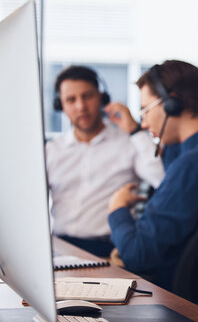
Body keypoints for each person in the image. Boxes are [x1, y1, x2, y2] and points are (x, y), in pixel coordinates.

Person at [107, 60, 198, 290]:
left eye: (146, 110)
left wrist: (117, 208)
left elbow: (138, 253)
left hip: (167, 293)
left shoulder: (194, 165)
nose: (143, 122)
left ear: (172, 104)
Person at [46, 65, 164, 257]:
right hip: (59, 248)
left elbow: (162, 178)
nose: (81, 106)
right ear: (61, 105)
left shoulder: (129, 142)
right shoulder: (51, 151)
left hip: (108, 251)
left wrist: (135, 131)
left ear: (102, 97)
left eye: (87, 96)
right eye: (71, 100)